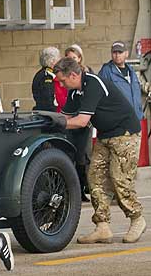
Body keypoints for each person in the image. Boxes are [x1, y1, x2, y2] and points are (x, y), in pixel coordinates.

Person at [53, 57, 146, 244]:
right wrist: (51, 121)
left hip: (125, 133)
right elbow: (64, 117)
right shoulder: (74, 93)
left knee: (120, 178)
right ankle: (102, 226)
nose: (61, 84)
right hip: (105, 135)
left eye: (62, 80)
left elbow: (80, 121)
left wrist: (57, 123)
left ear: (73, 75)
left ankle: (137, 218)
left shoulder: (93, 84)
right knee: (95, 177)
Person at [64, 44, 92, 202]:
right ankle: (75, 191)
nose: (71, 61)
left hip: (83, 121)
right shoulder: (65, 76)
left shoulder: (86, 74)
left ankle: (83, 188)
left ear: (80, 58)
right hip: (71, 119)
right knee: (72, 156)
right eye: (68, 58)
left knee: (83, 156)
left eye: (73, 58)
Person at [98, 41, 143, 120]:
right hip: (119, 120)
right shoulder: (106, 71)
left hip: (136, 119)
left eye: (120, 52)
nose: (117, 55)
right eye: (114, 52)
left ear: (126, 53)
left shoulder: (131, 71)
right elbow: (99, 94)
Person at [32, 46, 67, 112]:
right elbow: (48, 100)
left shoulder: (45, 73)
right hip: (49, 114)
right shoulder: (47, 76)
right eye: (58, 58)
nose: (60, 60)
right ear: (52, 61)